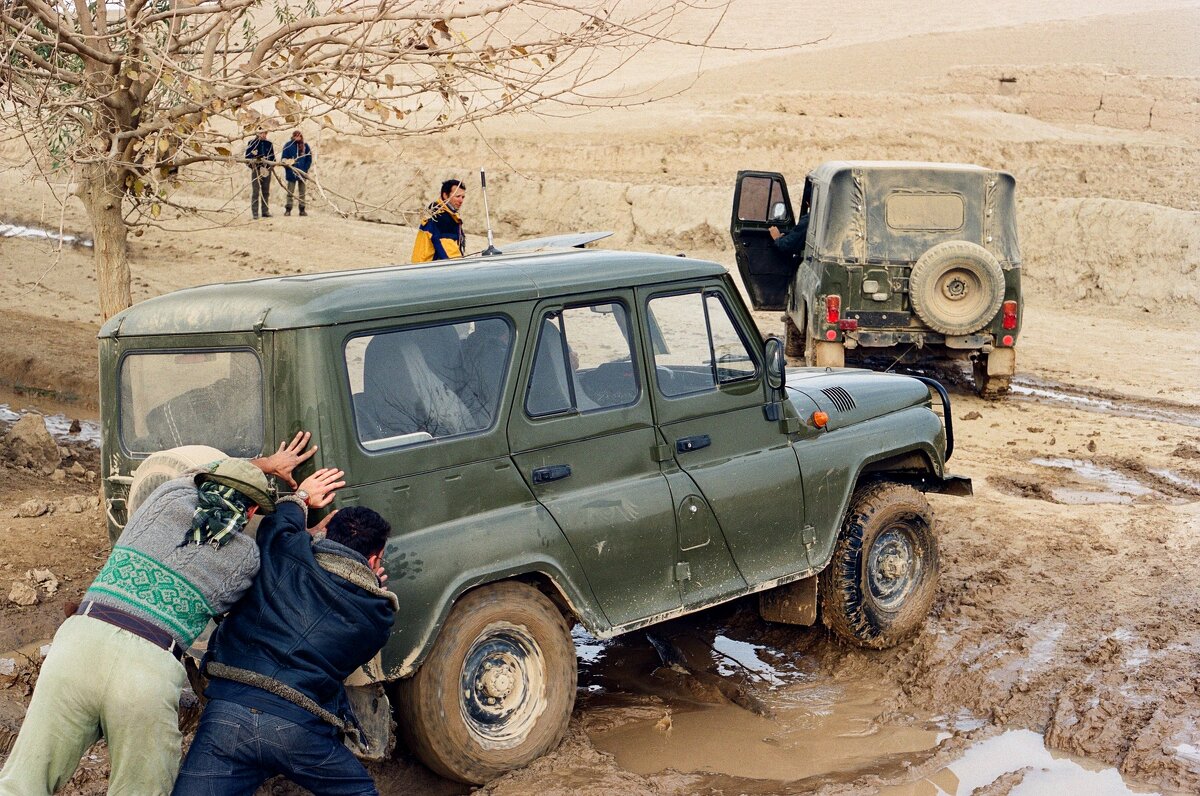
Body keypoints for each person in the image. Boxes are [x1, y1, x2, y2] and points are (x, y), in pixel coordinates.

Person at [0, 433, 322, 796]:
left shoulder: (166, 495)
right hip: (147, 670)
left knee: (22, 783)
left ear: (204, 485)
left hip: (78, 644)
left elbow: (198, 470)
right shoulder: (244, 557)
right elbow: (272, 567)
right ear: (249, 513)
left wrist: (268, 464)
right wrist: (300, 504)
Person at [173, 497, 397, 795]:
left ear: (325, 533)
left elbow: (279, 520)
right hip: (298, 731)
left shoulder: (282, 548)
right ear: (375, 559)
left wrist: (301, 497)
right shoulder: (377, 617)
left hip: (228, 713)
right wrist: (370, 589)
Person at [411, 178, 466, 262]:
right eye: (457, 196)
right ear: (445, 195)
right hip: (430, 268)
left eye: (463, 197)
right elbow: (450, 256)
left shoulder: (436, 212)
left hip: (420, 266)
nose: (461, 200)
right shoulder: (442, 218)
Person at [281, 130, 313, 217]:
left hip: (302, 173)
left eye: (299, 136)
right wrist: (288, 167)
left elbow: (309, 159)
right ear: (293, 136)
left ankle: (302, 210)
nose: (298, 137)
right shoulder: (288, 145)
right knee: (290, 192)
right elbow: (283, 158)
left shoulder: (305, 146)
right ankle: (288, 209)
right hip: (291, 172)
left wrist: (305, 169)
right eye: (296, 136)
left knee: (302, 192)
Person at [245, 130, 275, 219]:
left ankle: (265, 211)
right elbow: (247, 158)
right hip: (256, 170)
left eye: (265, 133)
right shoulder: (252, 143)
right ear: (257, 133)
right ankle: (255, 212)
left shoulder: (269, 144)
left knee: (266, 191)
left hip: (267, 170)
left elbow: (273, 158)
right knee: (255, 192)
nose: (264, 135)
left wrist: (269, 167)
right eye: (262, 133)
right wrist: (254, 167)